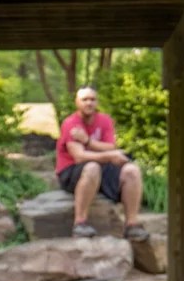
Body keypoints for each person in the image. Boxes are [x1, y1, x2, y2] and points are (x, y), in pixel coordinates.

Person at [54, 87, 149, 242]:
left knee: (132, 170)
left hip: (99, 166)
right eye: (85, 99)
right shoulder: (71, 123)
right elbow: (79, 157)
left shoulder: (104, 120)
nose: (89, 103)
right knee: (92, 167)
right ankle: (80, 223)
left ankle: (132, 225)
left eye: (92, 99)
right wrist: (110, 156)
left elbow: (111, 146)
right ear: (77, 102)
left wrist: (87, 141)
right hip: (71, 170)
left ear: (97, 102)